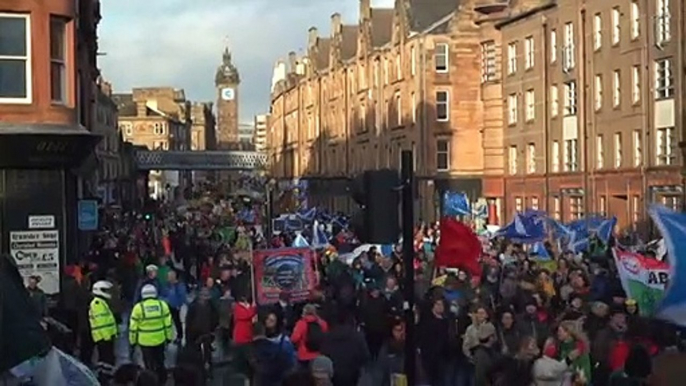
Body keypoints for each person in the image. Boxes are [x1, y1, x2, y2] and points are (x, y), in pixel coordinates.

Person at [129, 284, 173, 384]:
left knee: (148, 364)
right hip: (160, 340)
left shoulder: (138, 308)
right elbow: (168, 324)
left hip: (145, 342)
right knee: (160, 362)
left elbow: (133, 328)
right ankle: (162, 381)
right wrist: (169, 337)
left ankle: (150, 382)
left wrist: (132, 341)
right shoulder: (162, 305)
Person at [89, 280, 118, 383]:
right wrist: (107, 336)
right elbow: (101, 322)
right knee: (105, 359)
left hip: (106, 336)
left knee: (107, 359)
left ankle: (106, 377)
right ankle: (104, 379)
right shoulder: (97, 303)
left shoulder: (101, 302)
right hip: (103, 337)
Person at [161, 269, 187, 344]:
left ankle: (179, 336)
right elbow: (163, 294)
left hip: (175, 307)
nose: (167, 278)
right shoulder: (167, 285)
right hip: (167, 306)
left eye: (169, 276)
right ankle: (167, 337)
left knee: (177, 322)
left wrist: (179, 305)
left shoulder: (179, 286)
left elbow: (182, 297)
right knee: (166, 322)